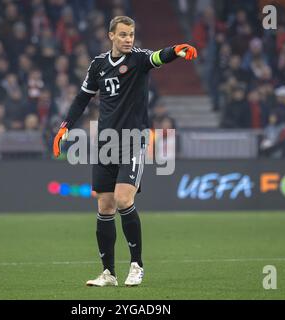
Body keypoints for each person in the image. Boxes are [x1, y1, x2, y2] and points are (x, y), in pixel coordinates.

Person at [52, 16, 197, 287]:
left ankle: (136, 265)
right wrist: (65, 127)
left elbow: (158, 57)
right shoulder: (98, 65)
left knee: (122, 199)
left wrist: (176, 50)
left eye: (131, 34)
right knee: (104, 205)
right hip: (106, 142)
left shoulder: (139, 59)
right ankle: (108, 273)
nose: (128, 39)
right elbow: (83, 97)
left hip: (133, 139)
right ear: (111, 36)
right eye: (122, 35)